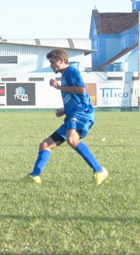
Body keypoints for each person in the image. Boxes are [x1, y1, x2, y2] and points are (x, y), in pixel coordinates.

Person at [24, 49, 108, 185]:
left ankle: (99, 170)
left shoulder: (71, 71)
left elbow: (81, 89)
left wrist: (58, 87)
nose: (51, 65)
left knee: (71, 139)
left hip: (82, 113)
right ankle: (35, 175)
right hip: (72, 115)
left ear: (61, 60)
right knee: (45, 145)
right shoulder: (64, 75)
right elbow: (75, 97)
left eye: (52, 62)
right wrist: (64, 110)